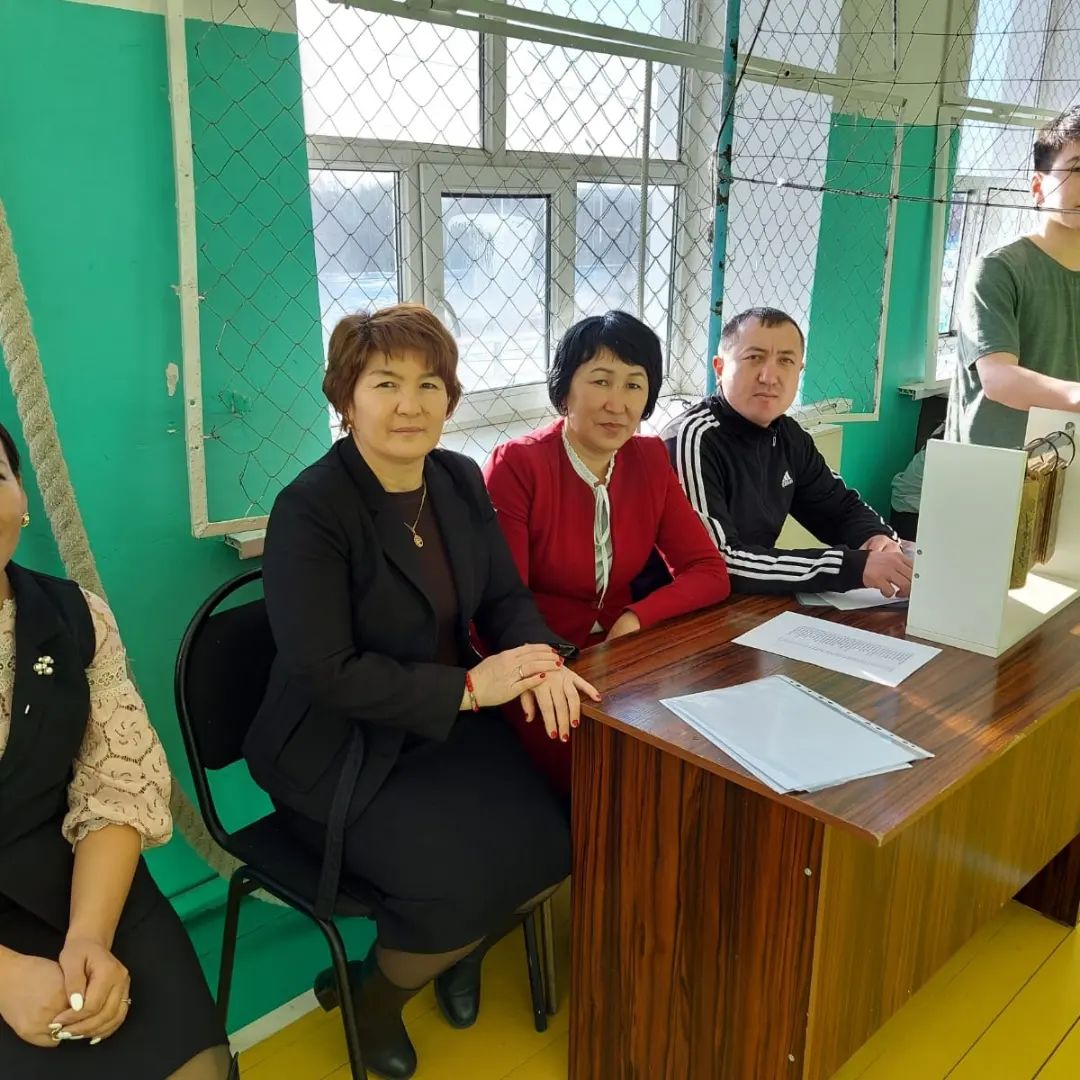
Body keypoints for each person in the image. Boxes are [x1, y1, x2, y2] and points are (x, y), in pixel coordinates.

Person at [243, 305, 598, 1080]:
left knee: (554, 844)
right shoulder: (310, 509)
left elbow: (503, 597)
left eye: (428, 384)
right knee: (452, 890)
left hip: (441, 727)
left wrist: (541, 661)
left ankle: (453, 952)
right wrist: (469, 688)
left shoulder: (456, 479)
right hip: (337, 748)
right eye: (385, 383)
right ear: (346, 397)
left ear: (450, 396)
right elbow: (324, 670)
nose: (409, 404)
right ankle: (374, 999)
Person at [0, 425, 231, 1079]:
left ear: (22, 497)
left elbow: (117, 783)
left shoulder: (75, 617)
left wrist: (90, 938)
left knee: (199, 1067)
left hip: (84, 881)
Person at [483, 311, 730, 794]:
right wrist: (548, 667)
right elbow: (501, 603)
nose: (617, 403)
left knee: (700, 749)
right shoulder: (518, 465)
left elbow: (707, 570)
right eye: (600, 381)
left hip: (623, 657)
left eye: (634, 385)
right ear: (565, 390)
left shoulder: (649, 459)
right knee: (610, 773)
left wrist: (636, 618)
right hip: (537, 665)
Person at [662, 307, 911, 598]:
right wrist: (851, 567)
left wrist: (876, 539)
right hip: (678, 608)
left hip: (744, 604)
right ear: (719, 368)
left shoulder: (788, 435)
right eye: (754, 358)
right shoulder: (693, 437)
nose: (769, 377)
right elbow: (719, 563)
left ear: (799, 371)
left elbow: (838, 507)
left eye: (785, 361)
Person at [946, 105, 1080, 450]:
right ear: (1037, 187)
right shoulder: (998, 269)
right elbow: (1000, 379)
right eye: (1077, 168)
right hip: (994, 469)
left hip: (1069, 464)